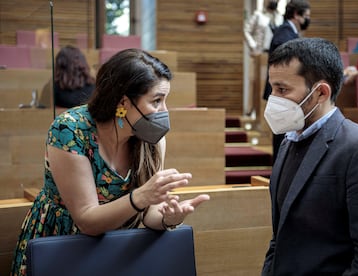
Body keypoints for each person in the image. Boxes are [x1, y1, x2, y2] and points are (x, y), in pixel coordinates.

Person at [11, 49, 210, 276]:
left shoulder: (151, 139)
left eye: (165, 101)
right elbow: (87, 220)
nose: (164, 111)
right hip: (61, 242)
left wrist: (168, 218)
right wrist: (140, 197)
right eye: (156, 101)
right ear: (123, 101)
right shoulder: (69, 129)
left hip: (117, 248)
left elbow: (150, 214)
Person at [262, 37, 358, 275]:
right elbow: (280, 239)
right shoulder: (287, 144)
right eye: (272, 87)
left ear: (321, 93)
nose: (273, 98)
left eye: (282, 89)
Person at [262, 0, 311, 163]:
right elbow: (285, 69)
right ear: (297, 14)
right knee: (283, 138)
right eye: (307, 16)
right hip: (283, 93)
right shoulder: (284, 35)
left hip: (286, 92)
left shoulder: (288, 33)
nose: (308, 20)